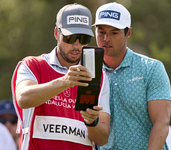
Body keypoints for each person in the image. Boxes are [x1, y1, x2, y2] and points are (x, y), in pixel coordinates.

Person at [11, 3, 110, 150]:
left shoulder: (99, 76)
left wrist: (92, 122)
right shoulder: (32, 65)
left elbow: (102, 139)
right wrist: (64, 81)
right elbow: (23, 99)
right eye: (70, 38)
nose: (76, 46)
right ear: (57, 33)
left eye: (83, 38)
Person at [93, 2, 171, 150]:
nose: (106, 38)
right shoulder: (88, 71)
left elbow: (161, 122)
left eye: (114, 32)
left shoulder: (151, 68)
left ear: (128, 33)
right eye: (101, 32)